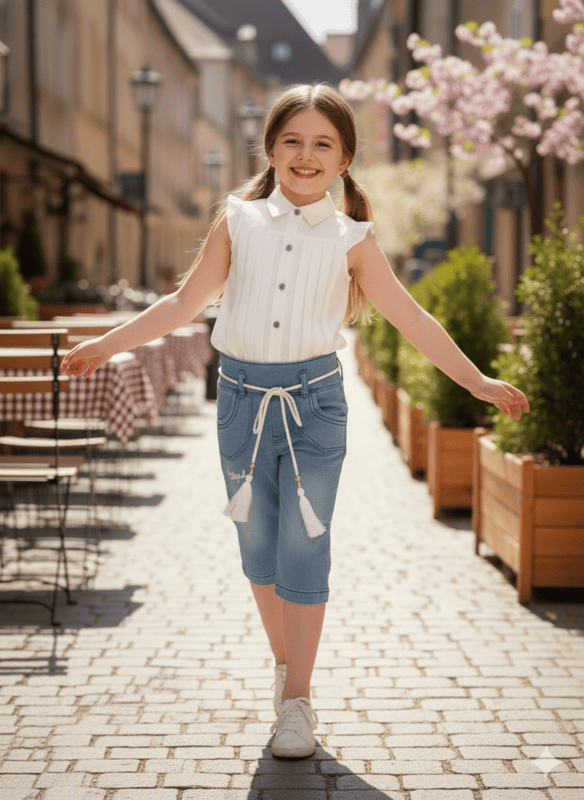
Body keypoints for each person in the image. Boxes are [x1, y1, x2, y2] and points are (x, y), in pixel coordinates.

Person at [61, 82, 530, 760]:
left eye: (323, 145)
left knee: (305, 546)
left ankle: (296, 702)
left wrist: (478, 380)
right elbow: (183, 303)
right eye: (293, 142)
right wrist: (108, 343)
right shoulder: (238, 221)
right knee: (258, 551)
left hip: (316, 405)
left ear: (344, 160)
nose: (305, 156)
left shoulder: (355, 241)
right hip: (242, 402)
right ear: (271, 149)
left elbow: (414, 320)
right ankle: (289, 667)